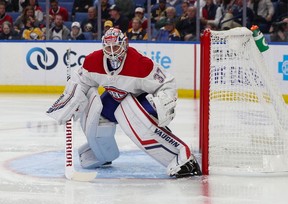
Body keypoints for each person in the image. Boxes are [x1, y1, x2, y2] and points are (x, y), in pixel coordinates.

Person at [46, 27, 202, 178]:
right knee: (96, 115)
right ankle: (103, 153)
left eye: (116, 46)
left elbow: (166, 83)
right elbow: (81, 81)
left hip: (141, 101)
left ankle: (183, 158)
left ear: (125, 44)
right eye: (109, 47)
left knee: (131, 116)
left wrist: (162, 105)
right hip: (115, 99)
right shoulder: (93, 61)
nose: (112, 51)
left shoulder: (140, 63)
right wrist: (72, 100)